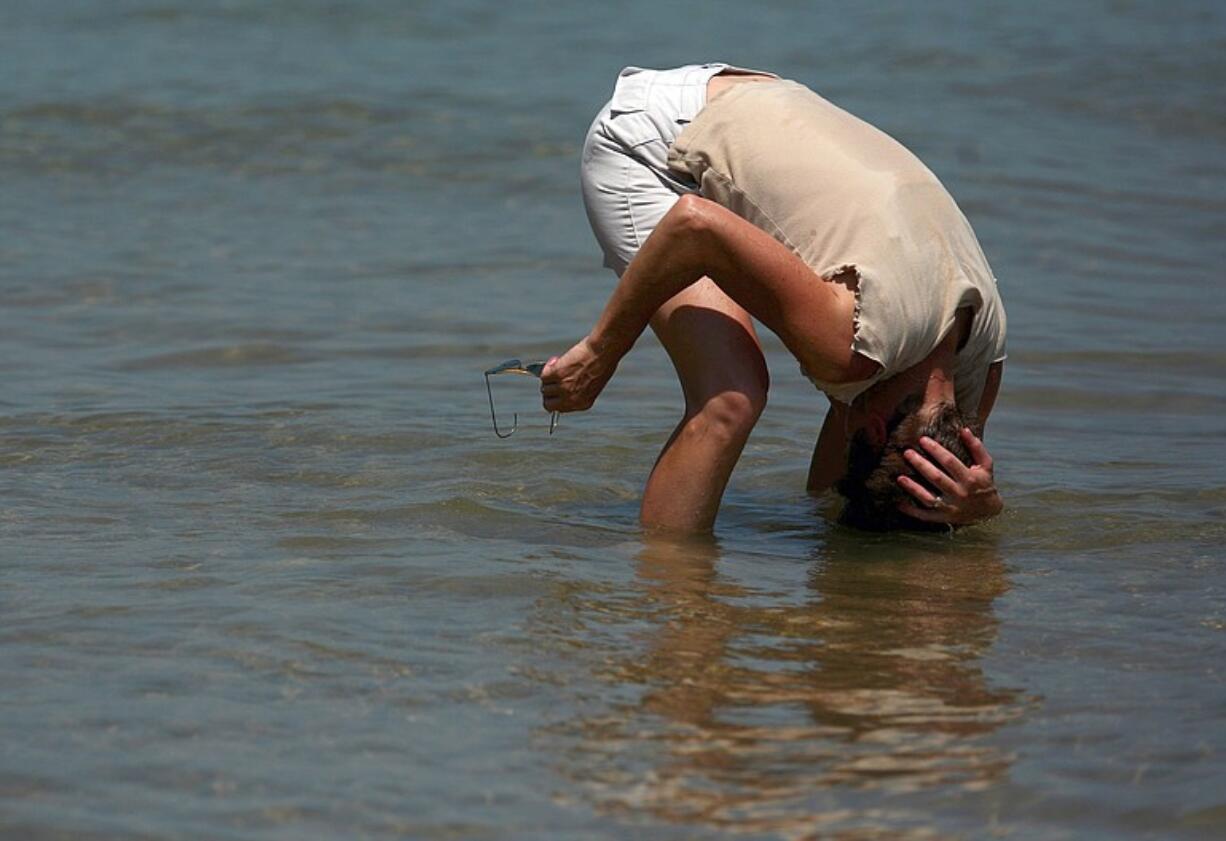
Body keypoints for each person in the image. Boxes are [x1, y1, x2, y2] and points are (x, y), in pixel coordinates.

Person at [541, 63, 1006, 532]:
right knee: (730, 396)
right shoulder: (851, 345)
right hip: (652, 142)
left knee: (854, 394)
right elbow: (692, 224)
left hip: (756, 98)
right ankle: (673, 596)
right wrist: (600, 354)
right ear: (878, 429)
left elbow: (936, 470)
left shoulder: (977, 364)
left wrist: (983, 505)